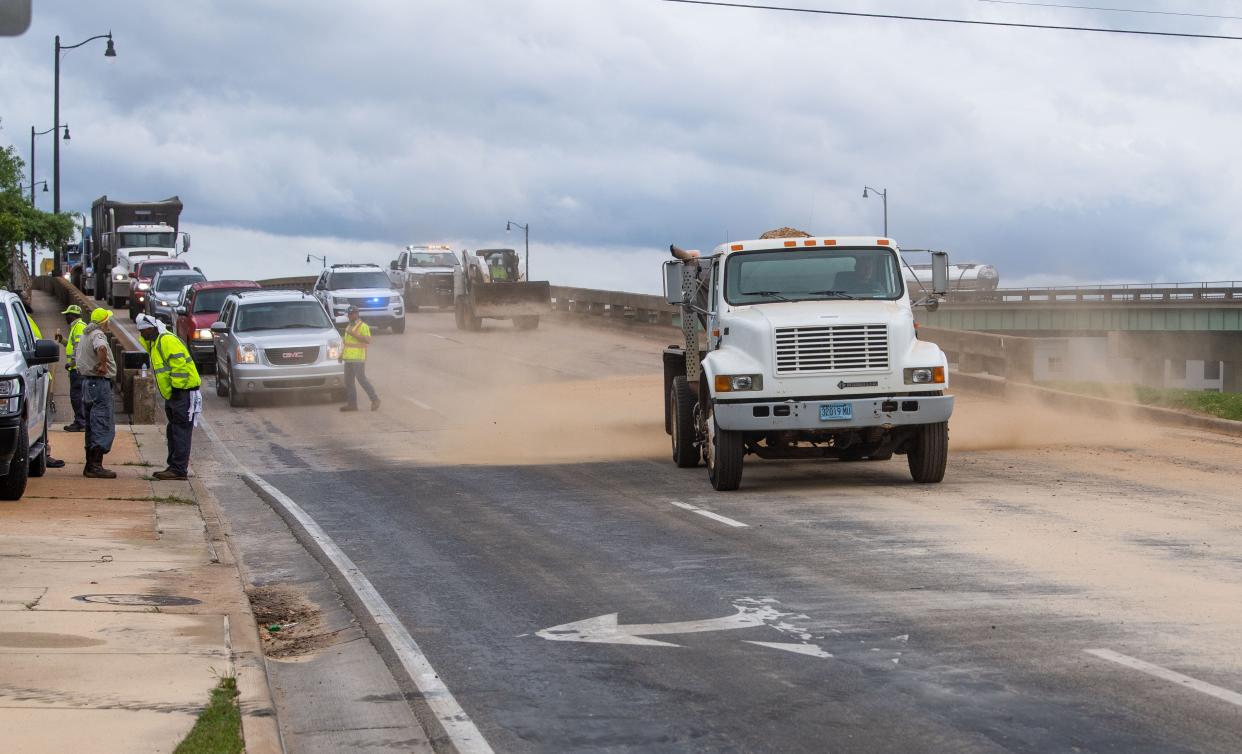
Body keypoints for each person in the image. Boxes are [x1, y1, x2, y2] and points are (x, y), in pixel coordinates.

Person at [135, 314, 202, 481]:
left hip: (182, 393)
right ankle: (174, 466)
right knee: (173, 431)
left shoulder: (166, 340)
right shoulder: (156, 342)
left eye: (144, 332)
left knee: (180, 431)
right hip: (174, 394)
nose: (142, 335)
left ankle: (179, 469)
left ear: (152, 329)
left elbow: (179, 365)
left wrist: (177, 388)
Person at [73, 308, 117, 479]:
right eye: (108, 320)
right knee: (101, 422)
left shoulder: (85, 334)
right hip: (98, 383)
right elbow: (101, 348)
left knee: (92, 424)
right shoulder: (98, 334)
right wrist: (104, 365)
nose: (109, 323)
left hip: (86, 383)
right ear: (103, 321)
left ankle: (89, 464)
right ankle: (95, 466)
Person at [23, 305, 65, 469]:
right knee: (38, 418)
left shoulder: (25, 323)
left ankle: (44, 453)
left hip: (35, 377)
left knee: (40, 419)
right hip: (33, 378)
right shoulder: (27, 322)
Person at [339, 305, 380, 412]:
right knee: (349, 382)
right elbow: (346, 343)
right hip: (348, 358)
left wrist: (354, 334)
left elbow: (367, 340)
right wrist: (341, 354)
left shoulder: (363, 326)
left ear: (357, 314)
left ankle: (375, 399)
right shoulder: (348, 326)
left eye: (351, 314)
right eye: (348, 314)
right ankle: (352, 405)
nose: (349, 316)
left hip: (358, 358)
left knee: (362, 379)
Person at [58, 305, 88, 433]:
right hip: (76, 368)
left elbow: (79, 349)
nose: (65, 317)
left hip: (77, 369)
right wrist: (62, 340)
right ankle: (80, 421)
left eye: (67, 315)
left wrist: (71, 364)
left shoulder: (79, 327)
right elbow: (72, 345)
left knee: (77, 397)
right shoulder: (76, 327)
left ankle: (80, 422)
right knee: (77, 396)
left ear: (73, 315)